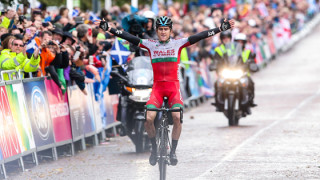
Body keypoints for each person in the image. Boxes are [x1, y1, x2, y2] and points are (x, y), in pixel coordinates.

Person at [99, 16, 234, 166]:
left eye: (166, 29)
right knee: (149, 119)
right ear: (157, 31)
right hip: (157, 88)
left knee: (176, 117)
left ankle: (173, 151)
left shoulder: (178, 43)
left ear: (170, 30)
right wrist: (109, 29)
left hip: (173, 88)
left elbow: (200, 35)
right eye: (160, 30)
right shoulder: (150, 44)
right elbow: (129, 37)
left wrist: (221, 29)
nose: (163, 32)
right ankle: (154, 149)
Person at [234, 33, 257, 111]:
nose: (239, 44)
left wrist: (253, 66)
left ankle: (250, 101)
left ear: (244, 43)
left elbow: (252, 61)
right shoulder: (231, 52)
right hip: (231, 74)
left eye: (241, 42)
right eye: (238, 42)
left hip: (243, 74)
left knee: (251, 83)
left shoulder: (247, 52)